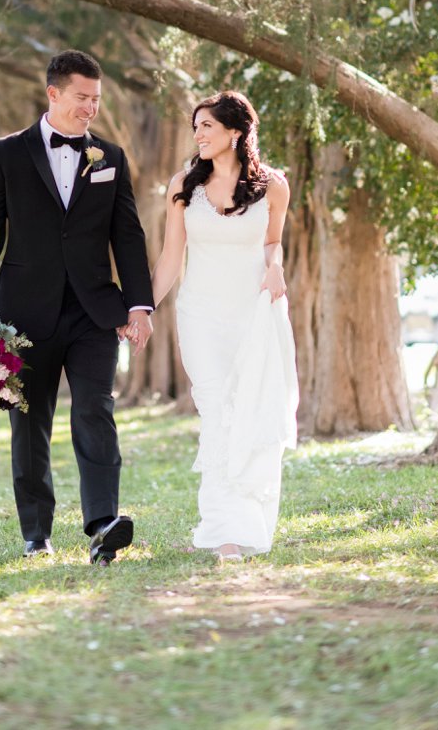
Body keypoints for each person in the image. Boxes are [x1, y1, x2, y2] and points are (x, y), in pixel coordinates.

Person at [0, 50, 154, 565]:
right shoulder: (7, 153)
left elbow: (126, 235)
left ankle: (103, 523)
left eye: (97, 100)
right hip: (24, 313)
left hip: (93, 311)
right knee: (30, 422)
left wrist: (139, 305)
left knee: (95, 408)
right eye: (82, 98)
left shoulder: (110, 157)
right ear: (53, 94)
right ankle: (36, 531)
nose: (91, 108)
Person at [145, 90, 298, 561]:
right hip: (201, 315)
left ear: (235, 131)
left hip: (253, 314)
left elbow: (272, 243)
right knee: (217, 413)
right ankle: (221, 530)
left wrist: (276, 267)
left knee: (249, 413)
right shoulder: (183, 187)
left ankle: (244, 524)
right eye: (196, 127)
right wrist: (142, 310)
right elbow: (172, 259)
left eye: (207, 126)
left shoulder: (274, 186)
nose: (198, 135)